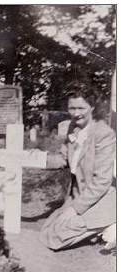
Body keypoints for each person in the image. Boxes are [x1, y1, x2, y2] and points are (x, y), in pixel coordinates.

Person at [40, 82, 116, 250]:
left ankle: (112, 222)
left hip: (102, 198)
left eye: (81, 108)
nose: (76, 113)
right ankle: (98, 229)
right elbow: (63, 160)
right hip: (79, 195)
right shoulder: (72, 129)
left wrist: (75, 209)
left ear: (92, 107)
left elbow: (102, 182)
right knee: (47, 229)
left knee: (56, 237)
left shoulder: (104, 134)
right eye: (72, 108)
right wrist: (31, 158)